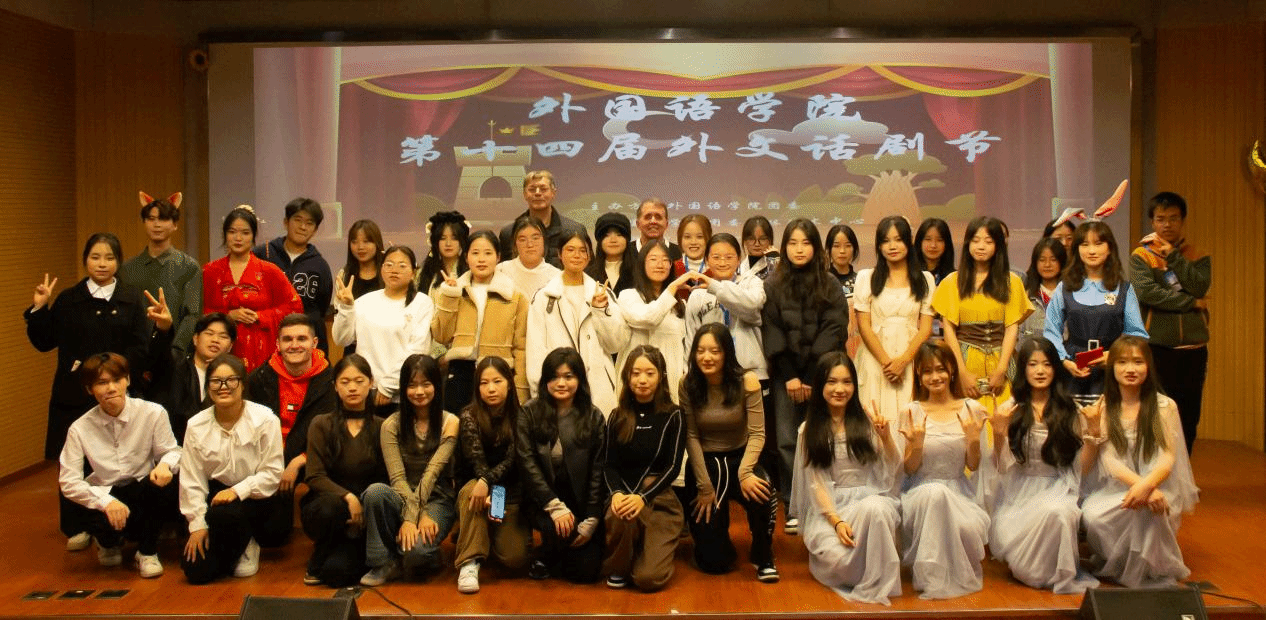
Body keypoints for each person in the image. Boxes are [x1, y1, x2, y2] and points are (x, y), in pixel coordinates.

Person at [26, 232, 154, 464]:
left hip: (117, 395)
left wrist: (114, 375)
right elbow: (44, 342)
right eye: (95, 257)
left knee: (121, 464)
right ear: (85, 260)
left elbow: (141, 346)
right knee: (74, 466)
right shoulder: (69, 299)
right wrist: (39, 308)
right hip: (74, 395)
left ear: (118, 261)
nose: (102, 264)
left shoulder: (131, 298)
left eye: (109, 258)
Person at [1081, 335, 1198, 588]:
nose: (1130, 369)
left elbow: (1168, 455)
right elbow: (1109, 459)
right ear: (1112, 367)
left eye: (1138, 362)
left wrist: (1149, 486)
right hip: (1116, 487)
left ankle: (1148, 568)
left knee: (1149, 507)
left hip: (1157, 483)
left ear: (1149, 366)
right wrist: (1140, 486)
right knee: (1093, 516)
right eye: (1122, 362)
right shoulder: (1104, 406)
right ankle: (1119, 563)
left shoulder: (1164, 406)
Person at [988, 337, 1100, 594]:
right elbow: (1001, 466)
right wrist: (998, 432)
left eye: (1047, 364)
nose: (1040, 371)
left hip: (1058, 486)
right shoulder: (1010, 409)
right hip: (1019, 492)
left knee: (1058, 511)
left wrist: (1093, 435)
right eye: (1033, 364)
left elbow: (1081, 468)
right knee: (1028, 573)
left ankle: (1061, 573)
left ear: (1056, 369)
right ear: (1023, 369)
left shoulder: (1069, 409)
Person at [789, 351, 901, 605]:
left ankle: (878, 577)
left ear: (854, 386)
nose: (839, 389)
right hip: (831, 508)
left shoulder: (868, 423)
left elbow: (892, 468)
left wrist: (885, 437)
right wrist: (837, 522)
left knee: (876, 508)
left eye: (846, 382)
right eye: (832, 382)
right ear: (820, 386)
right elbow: (816, 483)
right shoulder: (808, 430)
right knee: (840, 562)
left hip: (869, 499)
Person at [59, 352, 181, 578]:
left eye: (117, 380)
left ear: (128, 380)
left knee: (167, 484)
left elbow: (172, 451)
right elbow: (68, 481)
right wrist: (106, 502)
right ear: (89, 389)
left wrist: (164, 464)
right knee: (80, 502)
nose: (111, 388)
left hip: (141, 487)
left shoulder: (153, 412)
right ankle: (107, 542)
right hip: (106, 491)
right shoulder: (79, 428)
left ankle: (147, 552)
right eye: (102, 383)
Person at [761, 219, 849, 532]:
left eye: (806, 243)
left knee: (820, 437)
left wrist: (812, 376)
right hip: (785, 378)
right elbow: (772, 330)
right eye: (793, 243)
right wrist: (790, 376)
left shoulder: (830, 284)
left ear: (816, 247)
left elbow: (834, 328)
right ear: (784, 247)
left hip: (821, 378)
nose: (799, 249)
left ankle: (823, 503)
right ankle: (792, 504)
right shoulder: (772, 284)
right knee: (787, 441)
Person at [679, 324, 778, 582]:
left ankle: (762, 550)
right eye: (701, 351)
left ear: (727, 353)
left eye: (715, 351)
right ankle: (716, 538)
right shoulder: (687, 384)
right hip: (706, 464)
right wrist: (704, 486)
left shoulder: (747, 381)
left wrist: (745, 472)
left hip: (742, 457)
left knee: (760, 488)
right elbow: (691, 436)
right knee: (714, 562)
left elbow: (758, 434)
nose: (707, 357)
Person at [180, 354, 290, 584]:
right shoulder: (196, 424)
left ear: (242, 384)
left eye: (231, 380)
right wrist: (197, 525)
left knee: (225, 514)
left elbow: (272, 473)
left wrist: (237, 491)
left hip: (258, 497)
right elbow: (192, 479)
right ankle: (230, 547)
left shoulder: (265, 419)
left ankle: (249, 540)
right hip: (216, 500)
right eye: (216, 381)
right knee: (196, 571)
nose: (223, 387)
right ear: (208, 386)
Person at [897, 341, 991, 599]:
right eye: (927, 371)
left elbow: (973, 465)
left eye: (940, 369)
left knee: (943, 499)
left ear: (951, 370)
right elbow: (908, 470)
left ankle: (944, 576)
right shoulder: (910, 411)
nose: (935, 377)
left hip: (959, 492)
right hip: (919, 492)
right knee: (935, 494)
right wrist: (917, 446)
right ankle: (931, 578)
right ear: (919, 375)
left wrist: (973, 440)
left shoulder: (972, 408)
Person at [361, 354, 459, 586]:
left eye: (426, 384)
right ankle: (383, 562)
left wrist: (419, 516)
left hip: (437, 499)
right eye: (412, 385)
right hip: (401, 494)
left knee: (416, 552)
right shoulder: (391, 425)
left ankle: (423, 555)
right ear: (403, 388)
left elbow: (432, 474)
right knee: (375, 492)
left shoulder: (450, 422)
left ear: (437, 385)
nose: (419, 391)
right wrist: (410, 517)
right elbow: (397, 479)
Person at [516, 348, 606, 583]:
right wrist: (553, 506)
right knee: (559, 535)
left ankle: (551, 555)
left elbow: (598, 471)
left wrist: (592, 517)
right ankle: (548, 551)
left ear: (580, 379)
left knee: (585, 573)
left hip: (581, 503)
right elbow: (527, 464)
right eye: (554, 377)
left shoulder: (594, 417)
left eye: (568, 376)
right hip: (544, 502)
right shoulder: (529, 412)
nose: (561, 383)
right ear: (545, 380)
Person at [1130, 192, 1210, 453]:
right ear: (1152, 222)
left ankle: (1183, 472)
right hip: (1157, 348)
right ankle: (1157, 470)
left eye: (1174, 218)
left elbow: (1199, 286)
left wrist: (1174, 257)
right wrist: (1190, 303)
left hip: (1194, 350)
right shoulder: (1141, 255)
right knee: (1156, 415)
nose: (1167, 224)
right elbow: (1147, 293)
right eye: (1161, 219)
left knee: (1189, 416)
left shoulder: (1197, 254)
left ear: (1182, 220)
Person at [600, 345, 685, 592]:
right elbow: (609, 465)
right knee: (620, 513)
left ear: (661, 376)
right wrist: (617, 494)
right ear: (627, 377)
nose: (642, 380)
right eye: (635, 373)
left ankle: (648, 551)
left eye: (650, 373)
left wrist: (643, 497)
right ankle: (621, 564)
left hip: (659, 500)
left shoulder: (674, 415)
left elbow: (673, 467)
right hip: (624, 497)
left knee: (648, 579)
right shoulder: (617, 416)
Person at [300, 354, 387, 587]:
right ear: (335, 386)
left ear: (371, 383)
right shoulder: (321, 423)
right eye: (345, 382)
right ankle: (321, 551)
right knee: (331, 505)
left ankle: (350, 553)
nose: (352, 388)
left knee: (336, 574)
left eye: (359, 381)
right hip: (328, 509)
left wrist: (363, 507)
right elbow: (314, 475)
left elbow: (385, 478)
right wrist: (348, 498)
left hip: (365, 516)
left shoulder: (382, 426)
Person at [932, 216, 1032, 409]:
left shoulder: (1012, 281)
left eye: (988, 241)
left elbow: (1012, 328)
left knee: (1006, 414)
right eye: (975, 240)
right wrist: (961, 372)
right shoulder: (952, 282)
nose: (981, 246)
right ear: (968, 244)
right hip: (965, 360)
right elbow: (949, 330)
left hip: (1002, 359)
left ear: (998, 245)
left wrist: (1001, 370)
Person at [527, 230, 629, 417]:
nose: (577, 255)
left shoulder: (603, 293)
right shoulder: (544, 297)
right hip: (557, 389)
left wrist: (601, 310)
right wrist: (539, 393)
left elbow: (615, 344)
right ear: (559, 254)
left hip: (598, 389)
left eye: (583, 251)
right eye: (570, 249)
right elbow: (535, 350)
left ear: (589, 256)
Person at [1043, 221, 1147, 403]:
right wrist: (1065, 361)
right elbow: (1051, 331)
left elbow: (1137, 335)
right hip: (1073, 366)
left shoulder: (1124, 288)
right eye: (1085, 244)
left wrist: (1114, 355)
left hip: (1114, 368)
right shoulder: (1064, 287)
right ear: (1077, 250)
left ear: (1109, 248)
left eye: (1098, 244)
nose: (1092, 251)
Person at [454, 357, 529, 593]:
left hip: (509, 491)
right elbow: (476, 461)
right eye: (484, 383)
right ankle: (469, 562)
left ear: (509, 383)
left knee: (514, 559)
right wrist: (484, 483)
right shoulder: (468, 415)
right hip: (475, 487)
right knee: (473, 491)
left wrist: (492, 491)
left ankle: (486, 533)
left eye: (497, 381)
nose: (491, 388)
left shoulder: (521, 416)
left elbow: (512, 460)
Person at [431, 231, 529, 413]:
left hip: (498, 374)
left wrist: (521, 390)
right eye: (475, 253)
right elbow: (441, 336)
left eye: (488, 253)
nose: (481, 259)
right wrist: (450, 295)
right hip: (460, 373)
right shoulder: (455, 291)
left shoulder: (516, 297)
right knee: (458, 427)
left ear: (498, 257)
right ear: (466, 257)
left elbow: (521, 348)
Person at [333, 245, 434, 414]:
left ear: (413, 273)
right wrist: (346, 307)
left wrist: (388, 386)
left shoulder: (421, 302)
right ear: (381, 269)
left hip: (402, 392)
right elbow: (341, 339)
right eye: (389, 264)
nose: (394, 270)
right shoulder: (364, 301)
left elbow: (417, 350)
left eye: (402, 265)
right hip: (365, 391)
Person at [854, 216, 935, 422]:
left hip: (911, 358)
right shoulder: (866, 278)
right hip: (875, 360)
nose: (892, 246)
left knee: (909, 419)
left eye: (898, 240)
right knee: (874, 418)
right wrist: (887, 364)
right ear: (879, 246)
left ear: (908, 242)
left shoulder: (925, 280)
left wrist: (903, 361)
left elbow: (926, 329)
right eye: (886, 241)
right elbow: (864, 326)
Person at [203, 205, 303, 371]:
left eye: (245, 233)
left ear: (253, 236)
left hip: (262, 352)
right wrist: (227, 316)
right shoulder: (210, 271)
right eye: (232, 232)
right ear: (225, 235)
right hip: (220, 351)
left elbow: (294, 306)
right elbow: (200, 312)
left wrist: (260, 316)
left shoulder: (269, 271)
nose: (238, 238)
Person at [245, 313, 335, 499]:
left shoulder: (332, 382)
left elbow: (334, 434)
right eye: (287, 339)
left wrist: (299, 461)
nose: (294, 345)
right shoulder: (258, 379)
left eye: (302, 339)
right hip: (262, 465)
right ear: (278, 344)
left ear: (314, 343)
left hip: (314, 465)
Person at [120, 191, 202, 355]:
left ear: (175, 224)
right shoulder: (128, 269)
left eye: (163, 219)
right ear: (144, 222)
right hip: (135, 354)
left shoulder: (189, 267)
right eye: (151, 219)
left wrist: (177, 350)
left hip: (175, 355)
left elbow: (192, 316)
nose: (156, 224)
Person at [615, 239, 697, 394]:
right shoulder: (628, 296)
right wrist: (673, 287)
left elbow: (685, 347)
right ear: (641, 264)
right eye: (653, 259)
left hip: (670, 380)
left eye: (666, 260)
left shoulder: (681, 305)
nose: (660, 264)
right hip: (637, 380)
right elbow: (648, 319)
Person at [254, 197, 334, 355]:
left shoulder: (320, 265)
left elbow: (321, 307)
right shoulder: (263, 254)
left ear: (315, 230)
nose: (303, 227)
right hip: (267, 339)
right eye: (298, 220)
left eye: (309, 223)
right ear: (286, 222)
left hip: (303, 346)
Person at [685, 233, 767, 383]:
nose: (722, 262)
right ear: (707, 260)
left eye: (729, 257)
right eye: (716, 257)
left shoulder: (752, 282)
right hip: (712, 375)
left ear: (739, 259)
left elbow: (753, 305)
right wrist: (690, 372)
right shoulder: (697, 295)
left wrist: (715, 287)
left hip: (752, 373)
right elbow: (692, 339)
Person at [149, 313, 236, 442]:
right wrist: (163, 329)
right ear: (195, 339)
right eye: (209, 333)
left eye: (223, 336)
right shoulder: (176, 367)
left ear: (230, 346)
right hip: (173, 445)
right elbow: (159, 355)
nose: (215, 340)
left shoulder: (233, 381)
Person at [498, 171, 583, 267]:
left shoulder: (574, 230)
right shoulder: (509, 233)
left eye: (543, 189)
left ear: (553, 193)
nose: (537, 193)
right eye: (532, 189)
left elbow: (585, 269)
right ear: (524, 194)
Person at [334, 219, 386, 355]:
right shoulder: (344, 275)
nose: (360, 247)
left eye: (366, 241)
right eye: (354, 242)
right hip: (353, 349)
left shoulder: (388, 273)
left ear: (377, 243)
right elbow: (340, 320)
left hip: (384, 346)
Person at [496, 215, 561, 302]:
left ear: (544, 241)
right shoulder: (500, 271)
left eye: (535, 238)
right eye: (522, 240)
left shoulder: (556, 277)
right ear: (515, 244)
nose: (530, 245)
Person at [1018, 238, 1067, 342]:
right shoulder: (1025, 294)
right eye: (1042, 260)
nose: (1047, 265)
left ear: (1062, 261)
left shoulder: (1071, 295)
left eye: (1053, 260)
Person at [826, 224, 861, 356]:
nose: (842, 251)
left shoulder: (861, 281)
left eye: (847, 245)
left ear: (854, 249)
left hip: (857, 346)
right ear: (829, 249)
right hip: (829, 348)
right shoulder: (821, 281)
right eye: (836, 246)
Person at [586, 212, 637, 295]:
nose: (613, 240)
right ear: (600, 241)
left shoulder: (640, 271)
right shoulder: (587, 274)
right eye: (607, 235)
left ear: (627, 240)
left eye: (619, 235)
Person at [674, 214, 712, 302]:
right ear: (680, 239)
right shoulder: (671, 269)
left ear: (708, 238)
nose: (693, 242)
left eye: (700, 237)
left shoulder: (716, 269)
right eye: (687, 237)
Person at [915, 218, 956, 286]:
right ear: (920, 242)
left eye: (939, 240)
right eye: (928, 239)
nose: (933, 245)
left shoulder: (954, 278)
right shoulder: (908, 274)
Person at [738, 216, 779, 280]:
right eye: (751, 239)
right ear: (745, 241)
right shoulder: (738, 267)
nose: (757, 244)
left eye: (762, 239)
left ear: (770, 241)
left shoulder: (777, 265)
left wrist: (775, 262)